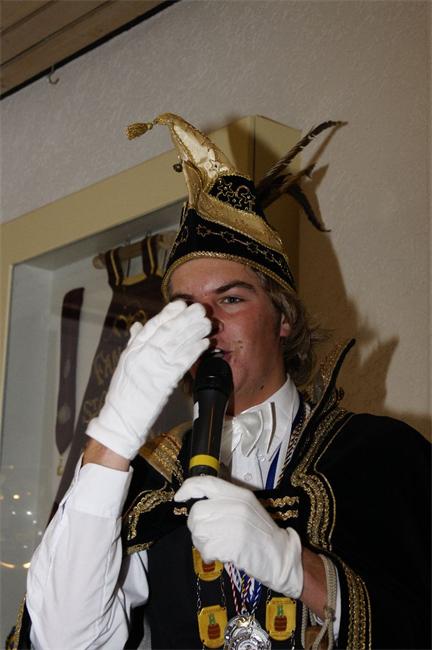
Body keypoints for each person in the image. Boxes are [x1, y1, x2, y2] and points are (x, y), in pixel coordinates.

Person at [12, 114, 430, 650]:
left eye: (230, 299)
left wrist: (298, 569)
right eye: (185, 308)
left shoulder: (383, 457)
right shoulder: (150, 478)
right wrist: (113, 435)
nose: (205, 326)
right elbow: (62, 638)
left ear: (283, 318)